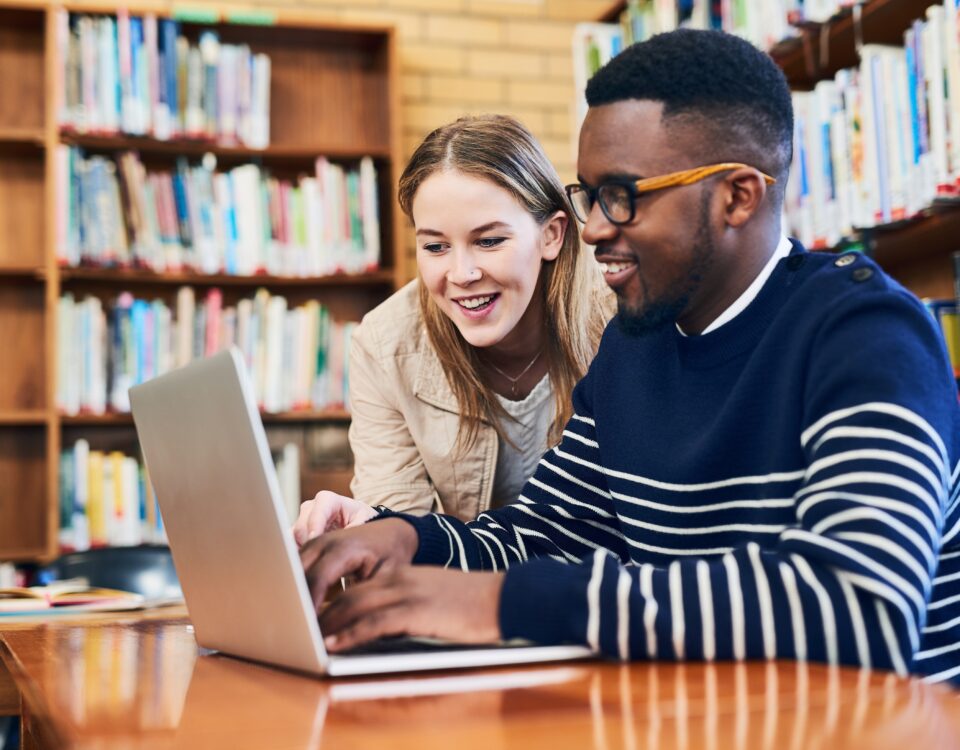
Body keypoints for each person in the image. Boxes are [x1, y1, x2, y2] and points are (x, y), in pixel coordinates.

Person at [299, 29, 960, 685]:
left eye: (623, 196)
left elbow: (859, 606)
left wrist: (508, 604)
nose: (592, 231)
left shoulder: (869, 333)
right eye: (589, 195)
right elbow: (547, 534)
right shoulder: (635, 342)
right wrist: (407, 539)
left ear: (737, 195)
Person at [294, 115, 612, 542]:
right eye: (436, 247)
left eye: (489, 241)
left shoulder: (618, 314)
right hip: (469, 591)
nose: (461, 273)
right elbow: (401, 540)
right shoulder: (387, 344)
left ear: (551, 235)